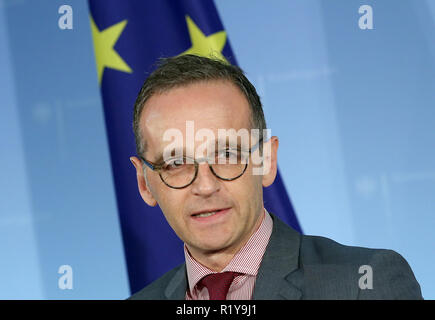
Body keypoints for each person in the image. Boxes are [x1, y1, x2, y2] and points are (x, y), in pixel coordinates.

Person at [128, 54, 422, 300]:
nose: (205, 186)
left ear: (266, 161)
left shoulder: (366, 284)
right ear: (145, 183)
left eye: (228, 155)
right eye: (176, 163)